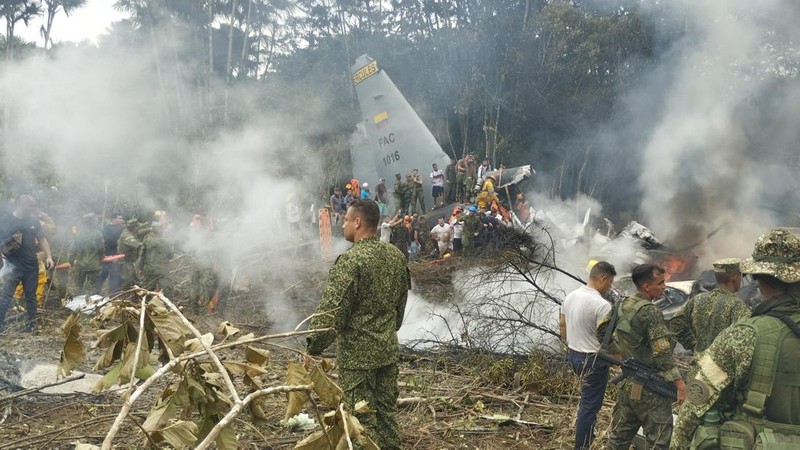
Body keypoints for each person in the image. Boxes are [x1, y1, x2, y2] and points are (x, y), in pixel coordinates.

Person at [671, 229, 800, 450]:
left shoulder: (746, 333)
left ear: (759, 278)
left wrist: (694, 346)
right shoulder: (739, 310)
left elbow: (694, 409)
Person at [306, 199, 410, 450]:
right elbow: (399, 309)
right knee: (386, 415)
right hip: (386, 351)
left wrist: (312, 346)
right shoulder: (395, 256)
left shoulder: (352, 262)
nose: (342, 225)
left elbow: (332, 312)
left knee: (361, 420)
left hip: (358, 359)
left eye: (345, 220)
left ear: (358, 222)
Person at [596, 263, 686, 450]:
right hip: (650, 388)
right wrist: (679, 384)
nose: (664, 287)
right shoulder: (650, 312)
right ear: (646, 286)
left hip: (627, 384)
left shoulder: (622, 304)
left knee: (618, 439)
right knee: (659, 442)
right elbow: (662, 354)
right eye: (660, 283)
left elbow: (602, 330)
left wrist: (620, 355)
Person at [560, 261, 617, 450]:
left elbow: (562, 325)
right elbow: (606, 339)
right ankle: (582, 446)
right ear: (604, 278)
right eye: (610, 282)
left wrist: (571, 343)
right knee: (589, 408)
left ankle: (585, 437)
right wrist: (620, 359)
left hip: (573, 355)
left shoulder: (570, 296)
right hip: (593, 361)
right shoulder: (602, 305)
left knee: (585, 401)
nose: (610, 286)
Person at [670, 258, 751, 354]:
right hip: (722, 366)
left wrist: (693, 345)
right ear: (735, 277)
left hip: (700, 363)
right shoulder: (737, 305)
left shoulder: (698, 300)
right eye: (740, 276)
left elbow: (675, 323)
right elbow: (745, 339)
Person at [0, 195, 54, 332]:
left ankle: (31, 325)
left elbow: (42, 239)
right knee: (6, 295)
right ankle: (0, 324)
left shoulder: (33, 220)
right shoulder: (6, 220)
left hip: (31, 265)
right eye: (31, 205)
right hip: (12, 265)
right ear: (22, 204)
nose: (33, 208)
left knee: (31, 296)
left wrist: (48, 256)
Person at [69, 213, 104, 296]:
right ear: (92, 222)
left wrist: (71, 261)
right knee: (92, 287)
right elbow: (101, 249)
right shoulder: (98, 234)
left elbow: (73, 250)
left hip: (80, 265)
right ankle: (91, 305)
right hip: (93, 265)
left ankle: (77, 305)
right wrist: (101, 259)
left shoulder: (78, 234)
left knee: (78, 287)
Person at [96, 213, 124, 295]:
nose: (121, 220)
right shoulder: (116, 230)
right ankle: (113, 295)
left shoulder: (105, 228)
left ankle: (96, 292)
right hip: (113, 257)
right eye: (120, 218)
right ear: (113, 219)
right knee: (114, 277)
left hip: (105, 257)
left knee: (102, 276)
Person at [117, 219, 143, 292]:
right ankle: (125, 294)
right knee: (127, 281)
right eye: (137, 227)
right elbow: (137, 244)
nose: (138, 228)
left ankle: (136, 291)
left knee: (135, 278)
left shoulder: (131, 231)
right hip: (124, 261)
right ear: (133, 227)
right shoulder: (126, 235)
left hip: (130, 260)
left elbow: (141, 230)